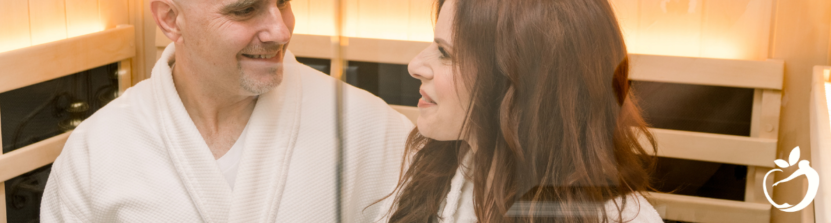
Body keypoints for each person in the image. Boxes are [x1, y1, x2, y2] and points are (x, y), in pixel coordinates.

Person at [40, 0, 414, 221]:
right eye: (245, 9)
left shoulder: (368, 127)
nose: (280, 31)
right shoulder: (95, 151)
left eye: (283, 1)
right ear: (170, 18)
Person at [377, 0, 664, 222]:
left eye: (445, 53)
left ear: (520, 86)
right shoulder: (431, 176)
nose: (414, 66)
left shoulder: (624, 219)